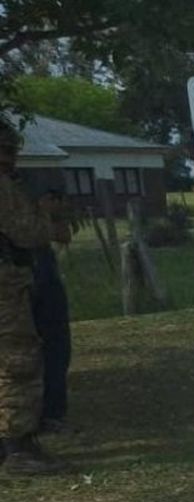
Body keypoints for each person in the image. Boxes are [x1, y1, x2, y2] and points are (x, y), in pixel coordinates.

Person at [0, 121, 66, 473]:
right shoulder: (4, 188)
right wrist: (45, 212)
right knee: (17, 361)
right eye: (8, 151)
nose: (12, 160)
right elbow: (28, 234)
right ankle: (18, 445)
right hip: (5, 287)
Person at [32, 189, 73, 434]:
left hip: (42, 279)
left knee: (56, 348)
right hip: (17, 283)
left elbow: (63, 234)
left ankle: (51, 413)